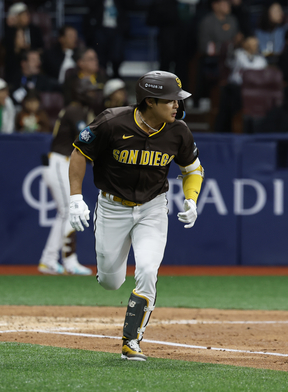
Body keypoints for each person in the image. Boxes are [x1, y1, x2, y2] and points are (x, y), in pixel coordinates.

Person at [68, 71, 204, 360]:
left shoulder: (178, 130)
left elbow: (192, 170)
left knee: (146, 270)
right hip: (112, 207)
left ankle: (131, 341)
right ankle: (107, 274)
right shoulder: (111, 121)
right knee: (110, 281)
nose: (177, 106)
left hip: (153, 208)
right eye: (170, 100)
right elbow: (80, 153)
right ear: (150, 101)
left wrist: (191, 200)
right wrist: (75, 197)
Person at [38, 78, 98, 275]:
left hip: (63, 163)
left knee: (65, 212)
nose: (93, 95)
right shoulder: (75, 110)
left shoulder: (81, 111)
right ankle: (68, 261)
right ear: (80, 93)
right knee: (69, 210)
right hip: (59, 161)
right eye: (89, 91)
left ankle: (49, 259)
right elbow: (85, 138)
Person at [215, 35, 267, 132]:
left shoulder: (262, 60)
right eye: (250, 43)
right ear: (245, 44)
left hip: (254, 90)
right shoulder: (238, 54)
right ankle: (223, 130)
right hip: (236, 87)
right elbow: (230, 62)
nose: (253, 46)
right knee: (229, 94)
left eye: (255, 44)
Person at [83, 0, 129, 79]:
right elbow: (89, 4)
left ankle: (116, 75)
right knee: (100, 55)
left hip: (116, 30)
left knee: (117, 55)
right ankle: (102, 76)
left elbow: (130, 5)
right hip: (100, 29)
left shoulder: (118, 3)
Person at [3, 2, 44, 82]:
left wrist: (31, 52)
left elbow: (41, 48)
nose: (27, 17)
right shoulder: (10, 32)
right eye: (23, 15)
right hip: (15, 64)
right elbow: (8, 51)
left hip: (32, 59)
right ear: (16, 17)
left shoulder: (34, 30)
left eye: (27, 14)